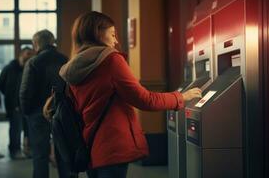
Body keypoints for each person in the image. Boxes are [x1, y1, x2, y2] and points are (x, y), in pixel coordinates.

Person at [58, 11, 202, 178]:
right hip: (113, 145)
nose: (116, 40)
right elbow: (145, 100)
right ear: (97, 32)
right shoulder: (111, 61)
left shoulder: (73, 67)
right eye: (112, 34)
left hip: (90, 144)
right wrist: (181, 97)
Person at [19, 29, 69, 178]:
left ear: (36, 44)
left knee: (40, 155)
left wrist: (27, 112)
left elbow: (25, 91)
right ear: (52, 41)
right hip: (61, 112)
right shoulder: (65, 59)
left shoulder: (33, 62)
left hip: (37, 113)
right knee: (64, 153)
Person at [0, 47, 34, 159]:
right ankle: (15, 150)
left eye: (31, 54)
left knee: (28, 128)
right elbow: (1, 85)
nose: (29, 56)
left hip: (27, 104)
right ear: (21, 54)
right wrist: (12, 100)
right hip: (14, 105)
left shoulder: (29, 68)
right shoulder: (9, 68)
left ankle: (27, 149)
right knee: (15, 129)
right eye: (28, 54)